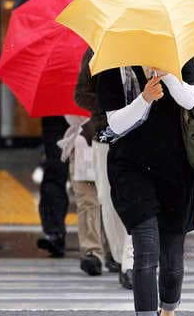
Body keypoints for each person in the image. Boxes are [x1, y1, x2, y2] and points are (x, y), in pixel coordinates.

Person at [97, 60, 194, 316]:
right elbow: (115, 124)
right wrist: (144, 98)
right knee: (146, 250)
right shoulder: (113, 62)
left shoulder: (180, 53)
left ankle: (168, 309)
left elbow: (191, 99)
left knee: (173, 261)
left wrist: (168, 76)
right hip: (131, 168)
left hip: (176, 168)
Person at [75, 48, 134, 288]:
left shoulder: (151, 47)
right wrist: (111, 105)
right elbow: (81, 94)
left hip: (141, 137)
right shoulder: (96, 50)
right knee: (108, 200)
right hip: (106, 136)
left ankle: (132, 263)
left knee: (137, 198)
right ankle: (122, 259)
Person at [57, 114, 106, 276]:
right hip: (82, 147)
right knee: (87, 203)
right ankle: (92, 252)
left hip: (114, 146)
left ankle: (116, 252)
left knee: (113, 202)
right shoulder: (72, 90)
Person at [36, 116, 70, 257]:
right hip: (57, 117)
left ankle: (106, 245)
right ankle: (54, 233)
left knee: (92, 185)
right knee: (54, 173)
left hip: (90, 118)